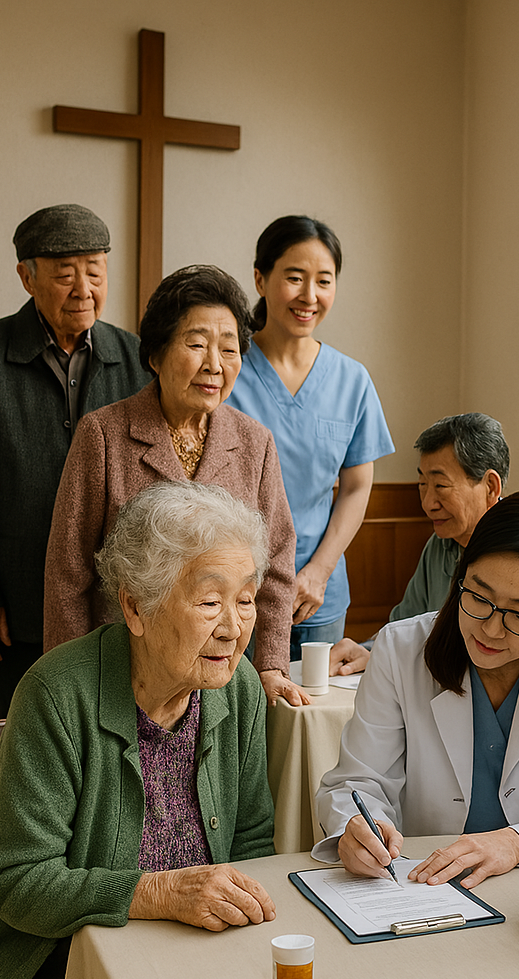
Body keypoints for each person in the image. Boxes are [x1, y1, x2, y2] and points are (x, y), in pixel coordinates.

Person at [0, 482, 279, 979]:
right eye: (209, 602)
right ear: (135, 607)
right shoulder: (57, 694)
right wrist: (159, 893)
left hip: (185, 955)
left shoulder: (239, 687)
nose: (233, 627)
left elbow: (251, 840)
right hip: (47, 958)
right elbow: (16, 880)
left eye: (245, 600)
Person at [314, 491, 519, 889]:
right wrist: (359, 828)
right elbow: (357, 781)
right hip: (423, 887)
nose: (489, 629)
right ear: (460, 576)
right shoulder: (401, 650)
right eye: (478, 597)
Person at [42, 265, 300, 706]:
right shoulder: (103, 434)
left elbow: (275, 564)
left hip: (221, 672)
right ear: (156, 354)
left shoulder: (255, 442)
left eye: (229, 348)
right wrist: (68, 679)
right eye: (196, 344)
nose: (214, 365)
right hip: (124, 676)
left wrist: (271, 664)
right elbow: (69, 573)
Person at [0, 204, 149, 719]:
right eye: (65, 274)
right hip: (15, 605)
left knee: (105, 739)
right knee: (16, 737)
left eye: (94, 270)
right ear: (27, 277)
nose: (83, 288)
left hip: (114, 605)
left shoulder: (134, 357)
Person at [225, 215, 394, 664]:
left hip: (317, 595)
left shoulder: (351, 380)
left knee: (309, 717)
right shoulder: (227, 371)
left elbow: (357, 487)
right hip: (234, 589)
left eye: (324, 281)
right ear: (260, 279)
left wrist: (319, 572)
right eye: (294, 278)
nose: (310, 296)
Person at [329, 412, 519, 675]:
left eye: (440, 486)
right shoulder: (439, 546)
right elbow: (405, 624)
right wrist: (370, 650)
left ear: (491, 487)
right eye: (422, 484)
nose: (427, 503)